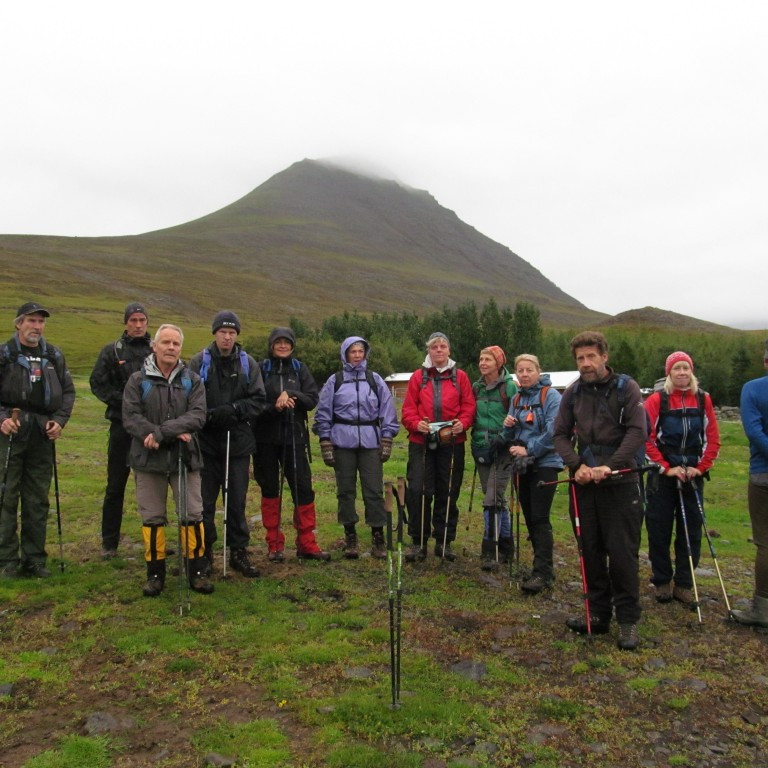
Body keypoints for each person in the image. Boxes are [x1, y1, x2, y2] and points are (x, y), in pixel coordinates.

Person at [553, 331, 647, 651]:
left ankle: (628, 621)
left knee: (622, 555)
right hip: (583, 486)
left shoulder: (627, 389)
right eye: (580, 358)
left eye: (591, 356)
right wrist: (576, 464)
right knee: (590, 553)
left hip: (621, 483)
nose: (586, 363)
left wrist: (613, 464)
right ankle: (597, 615)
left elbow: (638, 432)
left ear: (604, 356)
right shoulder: (573, 393)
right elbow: (560, 435)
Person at [122, 324, 213, 597]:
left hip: (185, 458)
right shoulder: (137, 381)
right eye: (166, 342)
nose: (171, 348)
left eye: (176, 344)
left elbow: (197, 415)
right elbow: (131, 416)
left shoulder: (192, 380)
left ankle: (196, 572)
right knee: (151, 517)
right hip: (148, 458)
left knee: (192, 515)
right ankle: (155, 575)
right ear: (155, 346)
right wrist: (156, 434)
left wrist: (160, 433)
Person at [0, 302, 75, 578]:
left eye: (41, 322)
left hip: (42, 432)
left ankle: (34, 558)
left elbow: (67, 392)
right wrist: (2, 418)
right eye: (31, 321)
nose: (37, 327)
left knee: (37, 497)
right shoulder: (5, 354)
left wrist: (59, 420)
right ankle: (6, 559)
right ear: (18, 323)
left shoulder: (53, 355)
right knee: (6, 494)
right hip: (11, 430)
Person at [189, 311, 266, 578]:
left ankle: (238, 552)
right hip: (206, 442)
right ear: (214, 333)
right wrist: (207, 415)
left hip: (238, 442)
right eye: (223, 332)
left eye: (232, 333)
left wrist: (233, 409)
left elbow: (258, 399)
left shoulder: (248, 364)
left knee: (236, 500)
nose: (227, 337)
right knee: (205, 501)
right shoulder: (200, 362)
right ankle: (205, 551)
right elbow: (188, 396)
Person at [644, 351, 720, 606]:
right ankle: (662, 581)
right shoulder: (657, 400)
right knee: (659, 528)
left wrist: (702, 466)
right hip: (663, 475)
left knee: (691, 531)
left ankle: (685, 584)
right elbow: (645, 439)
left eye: (686, 368)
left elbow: (713, 437)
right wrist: (666, 468)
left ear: (692, 372)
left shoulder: (703, 400)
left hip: (693, 473)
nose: (682, 373)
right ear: (669, 372)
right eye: (676, 368)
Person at [313, 336, 400, 559]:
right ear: (345, 354)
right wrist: (325, 440)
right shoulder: (336, 380)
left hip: (370, 442)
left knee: (373, 490)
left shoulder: (375, 379)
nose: (357, 355)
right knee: (345, 491)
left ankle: (377, 536)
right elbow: (324, 410)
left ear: (365, 354)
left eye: (360, 351)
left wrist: (387, 437)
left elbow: (388, 409)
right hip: (342, 442)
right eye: (353, 351)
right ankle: (350, 536)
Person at [252, 327, 330, 561]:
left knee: (303, 489)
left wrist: (290, 393)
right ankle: (274, 544)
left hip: (294, 438)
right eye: (278, 342)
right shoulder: (260, 368)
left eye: (287, 342)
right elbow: (254, 403)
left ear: (293, 346)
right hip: (264, 439)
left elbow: (312, 399)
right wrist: (275, 407)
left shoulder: (300, 369)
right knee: (269, 489)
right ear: (271, 344)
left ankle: (306, 543)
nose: (283, 346)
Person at [401, 332, 475, 562]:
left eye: (443, 346)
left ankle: (444, 541)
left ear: (449, 350)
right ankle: (418, 542)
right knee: (419, 491)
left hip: (452, 443)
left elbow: (469, 406)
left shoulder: (460, 377)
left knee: (448, 491)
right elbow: (408, 410)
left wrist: (463, 423)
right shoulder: (417, 377)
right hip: (421, 443)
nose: (439, 350)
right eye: (435, 347)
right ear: (429, 351)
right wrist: (416, 424)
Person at [89, 302, 152, 559]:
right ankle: (109, 543)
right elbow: (97, 383)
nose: (138, 325)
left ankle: (154, 538)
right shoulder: (112, 351)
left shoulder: (155, 350)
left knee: (152, 485)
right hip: (121, 428)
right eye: (133, 320)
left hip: (149, 429)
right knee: (115, 485)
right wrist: (124, 402)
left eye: (142, 320)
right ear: (125, 322)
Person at [500, 353, 563, 593]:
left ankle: (543, 572)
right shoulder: (516, 399)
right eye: (520, 371)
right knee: (529, 516)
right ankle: (541, 568)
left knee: (540, 517)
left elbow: (554, 431)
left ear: (538, 371)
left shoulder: (551, 396)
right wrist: (507, 430)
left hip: (545, 462)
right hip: (522, 464)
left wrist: (528, 449)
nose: (524, 375)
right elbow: (514, 434)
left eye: (529, 370)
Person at [470, 346, 517, 570]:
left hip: (503, 450)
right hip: (481, 448)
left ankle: (490, 548)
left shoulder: (509, 386)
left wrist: (505, 439)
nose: (483, 363)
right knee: (495, 498)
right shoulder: (477, 387)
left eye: (488, 359)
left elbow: (517, 415)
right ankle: (507, 545)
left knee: (492, 498)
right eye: (480, 359)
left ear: (498, 363)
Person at [732, 339, 768, 627]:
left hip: (763, 474)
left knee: (766, 543)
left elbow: (754, 432)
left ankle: (762, 608)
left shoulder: (753, 389)